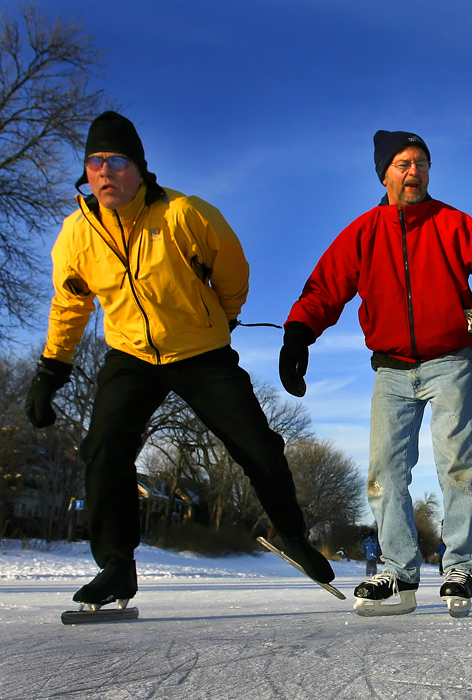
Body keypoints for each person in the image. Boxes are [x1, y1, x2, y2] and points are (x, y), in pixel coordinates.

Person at [24, 112, 333, 608]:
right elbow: (70, 305)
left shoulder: (183, 213)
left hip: (201, 351)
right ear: (87, 171)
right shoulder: (76, 234)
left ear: (141, 169)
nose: (105, 171)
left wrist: (223, 319)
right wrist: (51, 370)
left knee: (258, 445)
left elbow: (233, 269)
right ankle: (117, 567)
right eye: (96, 161)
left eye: (117, 161)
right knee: (104, 448)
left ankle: (292, 534)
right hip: (131, 354)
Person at [281, 130, 472, 617]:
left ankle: (459, 565)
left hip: (451, 361)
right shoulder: (362, 233)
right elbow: (325, 288)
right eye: (402, 164)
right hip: (391, 370)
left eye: (420, 162)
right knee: (383, 475)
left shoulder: (451, 223)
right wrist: (298, 333)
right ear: (384, 174)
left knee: (458, 468)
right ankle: (397, 569)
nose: (413, 171)